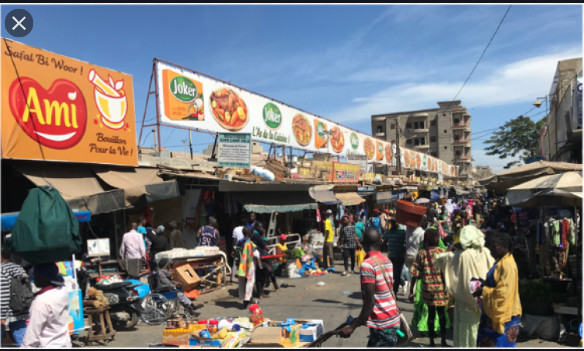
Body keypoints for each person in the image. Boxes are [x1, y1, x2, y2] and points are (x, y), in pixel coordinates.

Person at [434, 225, 495, 347]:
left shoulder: (460, 255)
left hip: (464, 302)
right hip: (484, 299)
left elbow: (439, 260)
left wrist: (451, 248)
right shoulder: (486, 252)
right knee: (480, 332)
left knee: (464, 331)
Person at [339, 228, 400, 346]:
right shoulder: (387, 261)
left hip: (382, 326)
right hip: (392, 320)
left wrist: (353, 327)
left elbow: (370, 301)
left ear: (363, 244)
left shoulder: (367, 265)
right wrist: (362, 318)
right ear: (380, 243)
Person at [474, 231, 522, 347]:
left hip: (505, 315)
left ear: (505, 247)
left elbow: (504, 292)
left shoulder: (507, 265)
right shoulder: (501, 261)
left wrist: (483, 290)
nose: (491, 250)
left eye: (494, 247)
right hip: (495, 312)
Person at [409, 228, 450, 347]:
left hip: (428, 291)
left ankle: (431, 342)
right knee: (441, 314)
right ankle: (443, 341)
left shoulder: (422, 253)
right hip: (441, 290)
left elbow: (415, 274)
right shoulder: (442, 252)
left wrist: (411, 291)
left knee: (431, 315)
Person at [22, 263, 71, 347]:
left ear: (44, 277)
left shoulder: (41, 301)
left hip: (48, 345)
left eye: (36, 275)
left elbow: (32, 335)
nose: (34, 279)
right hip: (64, 343)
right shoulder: (62, 291)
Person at [1, 249, 29, 346]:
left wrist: (1, 316)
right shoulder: (19, 268)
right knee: (23, 342)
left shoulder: (2, 270)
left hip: (8, 312)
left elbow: (3, 295)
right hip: (22, 309)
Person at [383, 219, 406, 295]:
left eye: (395, 223)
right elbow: (384, 242)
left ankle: (395, 292)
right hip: (391, 257)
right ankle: (402, 283)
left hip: (399, 257)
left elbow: (406, 244)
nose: (394, 224)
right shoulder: (387, 232)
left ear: (398, 224)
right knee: (391, 275)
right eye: (392, 223)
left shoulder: (402, 232)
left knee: (397, 275)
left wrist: (402, 252)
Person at [236, 228, 257, 308]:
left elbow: (236, 253)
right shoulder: (250, 242)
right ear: (249, 233)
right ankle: (247, 300)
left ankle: (248, 298)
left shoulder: (239, 241)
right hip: (249, 264)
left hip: (241, 265)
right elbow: (254, 253)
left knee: (243, 282)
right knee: (250, 281)